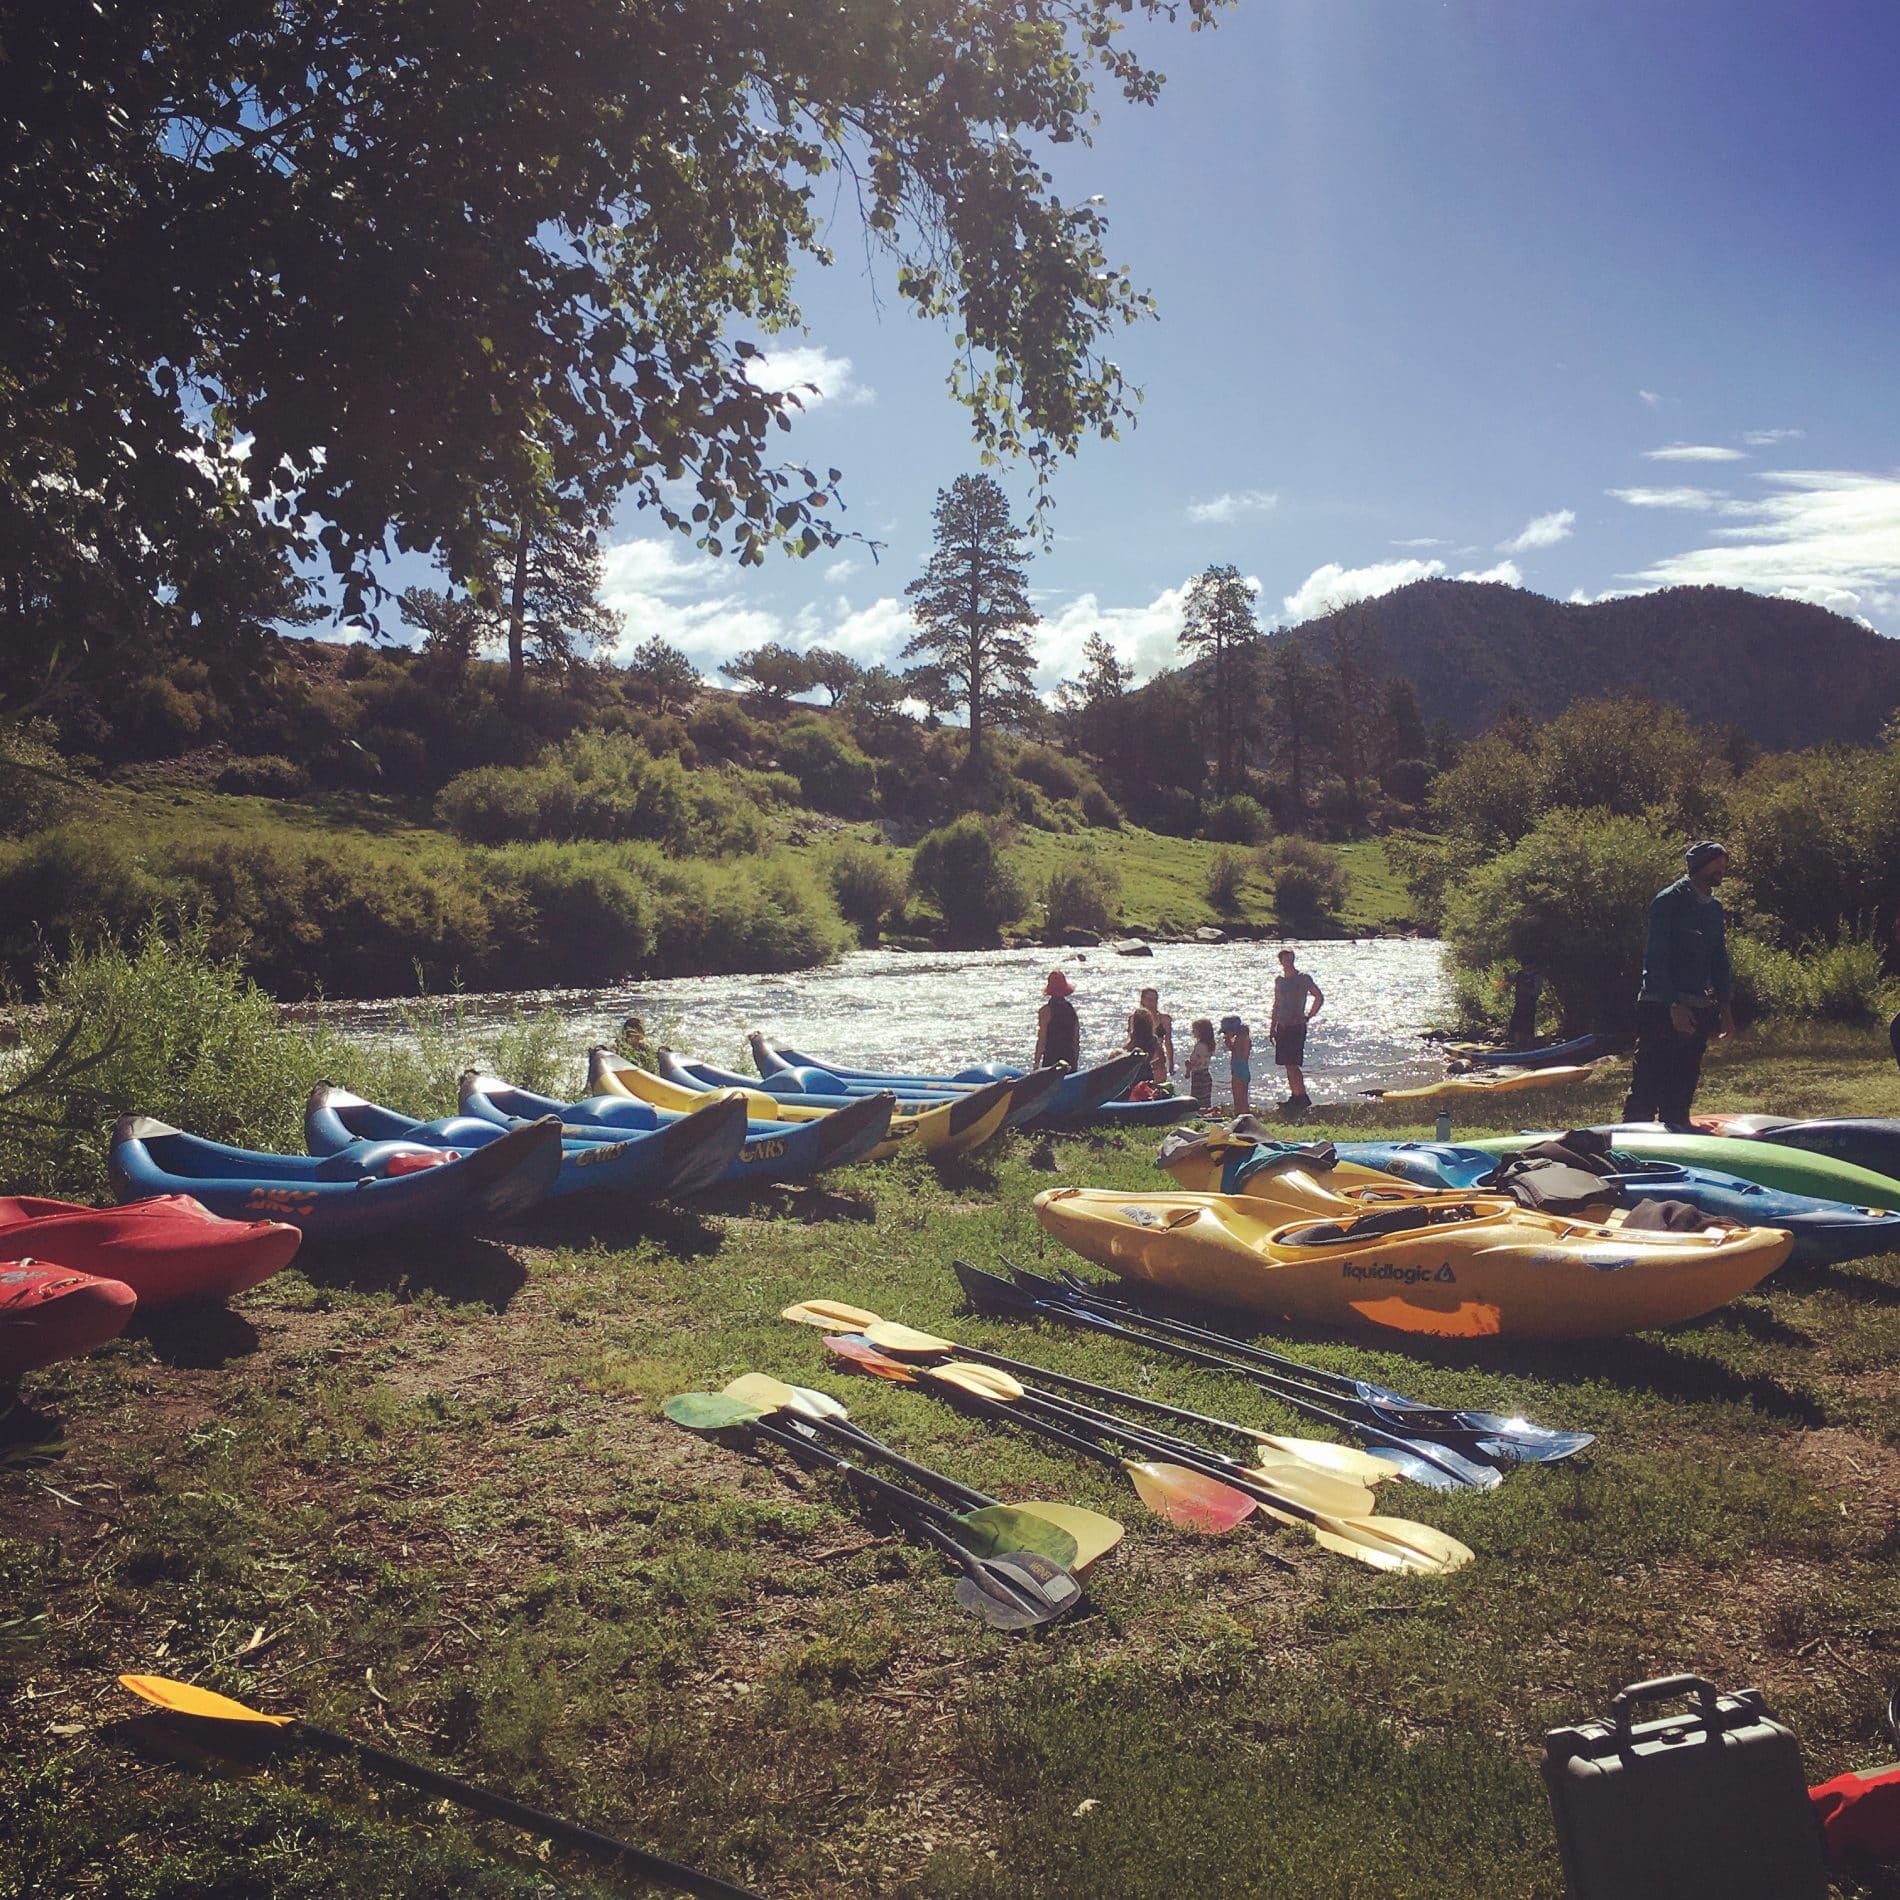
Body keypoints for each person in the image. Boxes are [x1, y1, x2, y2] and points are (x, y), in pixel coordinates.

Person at [1622, 840, 1734, 1126]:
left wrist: (1725, 1008)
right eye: (1716, 863)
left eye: (1724, 863)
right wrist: (1674, 1004)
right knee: (1648, 1084)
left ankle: (1677, 1140)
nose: (1722, 869)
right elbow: (1655, 958)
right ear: (1699, 865)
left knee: (1682, 1087)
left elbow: (1719, 959)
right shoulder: (1669, 900)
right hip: (1660, 1005)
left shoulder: (1714, 908)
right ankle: (1634, 1148)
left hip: (1698, 1005)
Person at [1269, 948, 1324, 1109]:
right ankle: (1295, 1095)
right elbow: (1276, 1004)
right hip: (1282, 1025)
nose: (1288, 962)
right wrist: (1272, 1027)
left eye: (1291, 959)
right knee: (1286, 1063)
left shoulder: (1303, 978)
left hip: (1296, 1025)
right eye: (1285, 960)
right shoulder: (1279, 981)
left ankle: (1302, 1096)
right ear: (1281, 962)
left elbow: (1319, 997)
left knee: (1293, 1063)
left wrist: (1308, 1016)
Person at [1034, 969, 1080, 1071]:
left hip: (1052, 1060)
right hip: (1069, 1060)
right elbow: (1076, 1039)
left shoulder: (1045, 1011)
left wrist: (1036, 1064)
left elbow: (1042, 1040)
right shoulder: (1071, 1009)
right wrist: (1075, 1062)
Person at [1138, 986, 1175, 1078]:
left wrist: (1171, 1063)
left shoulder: (1164, 1019)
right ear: (1143, 1000)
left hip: (1159, 1061)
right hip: (1141, 1061)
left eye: (1155, 999)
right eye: (1149, 999)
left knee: (1158, 1090)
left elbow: (1168, 1042)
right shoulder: (1136, 1019)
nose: (1152, 1003)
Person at [1221, 1015, 1253, 1115]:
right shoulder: (1242, 1038)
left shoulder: (1242, 1039)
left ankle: (1243, 1115)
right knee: (1240, 1096)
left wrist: (1230, 1044)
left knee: (1240, 1097)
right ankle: (1241, 1114)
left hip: (1240, 1069)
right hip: (1241, 1068)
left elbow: (1239, 1054)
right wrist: (1229, 1043)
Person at [1185, 1018, 1216, 1112]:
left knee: (1197, 1101)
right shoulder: (1209, 1045)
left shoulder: (1199, 1046)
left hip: (1198, 1076)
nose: (1192, 1031)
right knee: (1205, 1101)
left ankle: (1198, 1117)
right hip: (1206, 1074)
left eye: (1194, 1030)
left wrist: (1188, 1067)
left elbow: (1195, 1063)